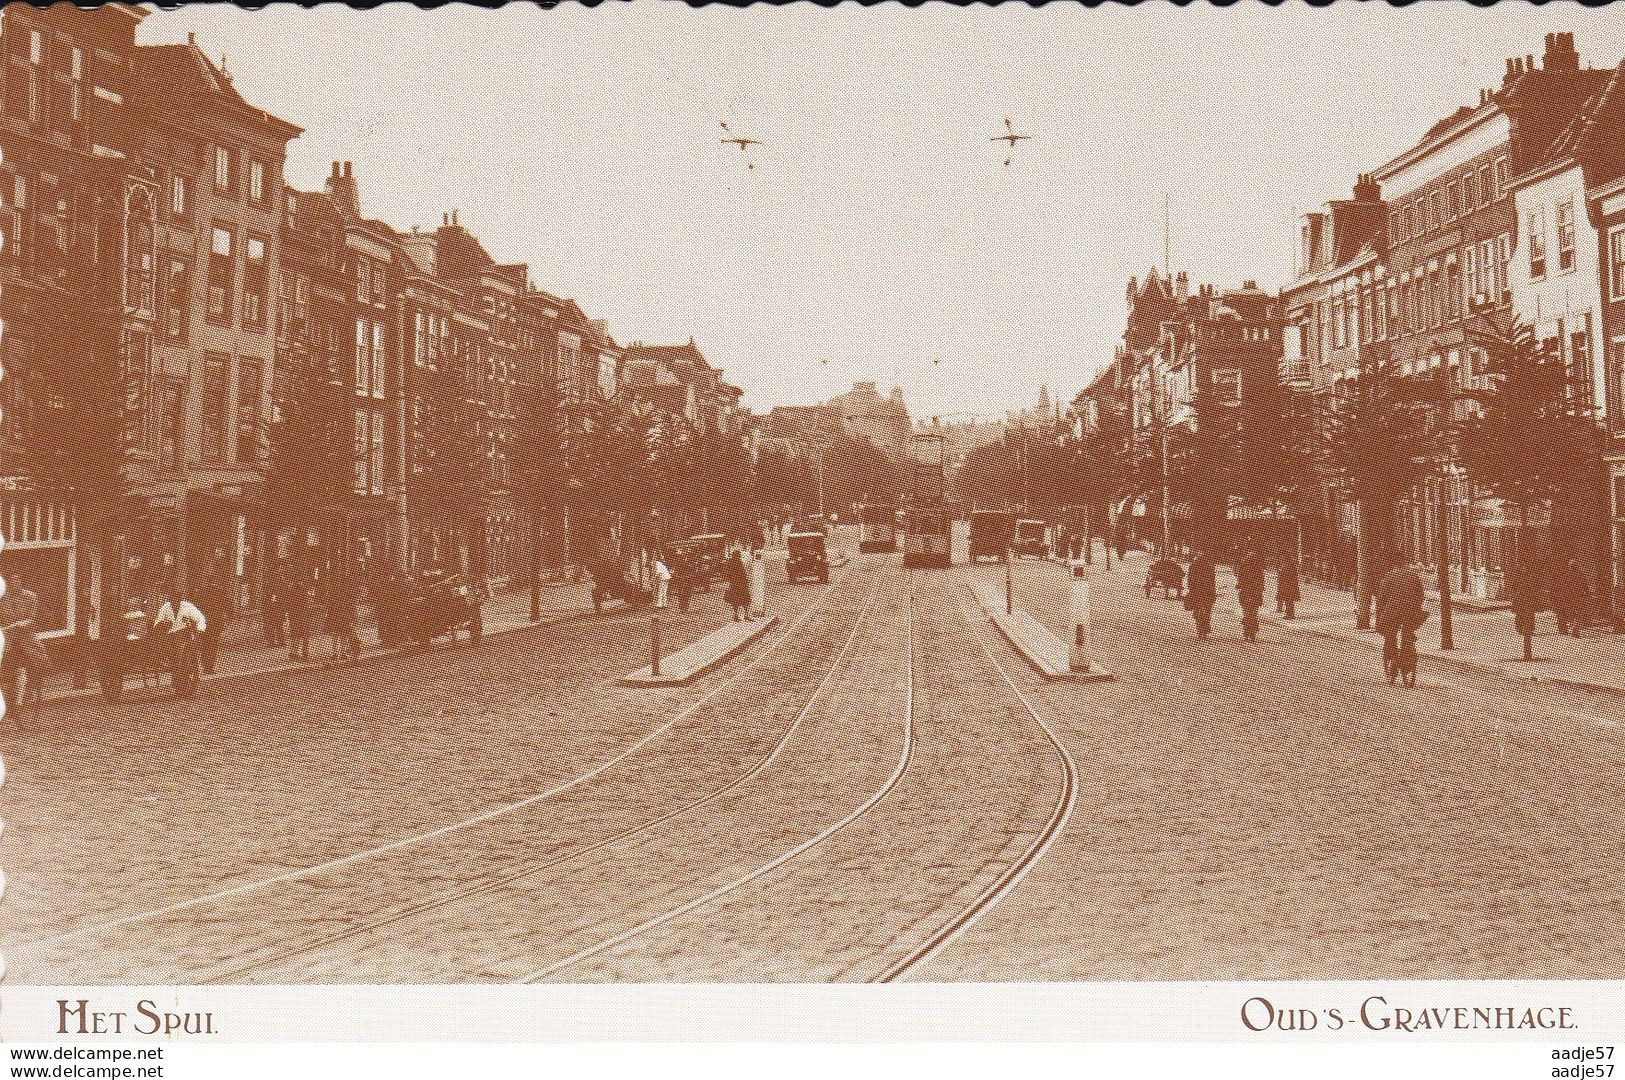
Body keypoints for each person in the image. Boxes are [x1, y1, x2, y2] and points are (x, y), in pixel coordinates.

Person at [0, 572, 45, 717]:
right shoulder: (3, 598)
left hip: (26, 637)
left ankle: (29, 690)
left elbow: (33, 617)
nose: (15, 583)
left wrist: (19, 624)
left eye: (18, 580)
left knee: (36, 660)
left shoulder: (30, 597)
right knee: (5, 668)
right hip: (9, 637)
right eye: (12, 581)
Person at [1374, 555, 1427, 675]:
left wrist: (1379, 617)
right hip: (1411, 612)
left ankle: (1392, 661)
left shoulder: (1388, 577)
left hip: (1393, 613)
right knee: (1407, 633)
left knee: (1390, 635)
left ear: (1394, 565)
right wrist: (1416, 608)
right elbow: (1421, 595)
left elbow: (1381, 599)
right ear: (1405, 564)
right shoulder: (1414, 576)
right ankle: (1407, 658)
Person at [153, 585, 207, 687]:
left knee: (186, 652)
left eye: (177, 599)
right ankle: (177, 674)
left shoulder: (187, 606)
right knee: (171, 654)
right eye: (172, 600)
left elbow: (200, 618)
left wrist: (200, 629)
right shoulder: (165, 607)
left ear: (180, 599)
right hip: (169, 635)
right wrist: (162, 624)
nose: (174, 602)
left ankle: (188, 671)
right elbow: (158, 621)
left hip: (185, 633)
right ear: (170, 600)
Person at [194, 574, 230, 676]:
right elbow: (227, 604)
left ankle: (206, 665)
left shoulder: (201, 592)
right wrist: (229, 615)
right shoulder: (219, 591)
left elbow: (196, 606)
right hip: (215, 621)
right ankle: (209, 666)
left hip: (204, 621)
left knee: (205, 644)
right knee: (212, 644)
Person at [1551, 556, 1588, 637]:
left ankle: (1574, 628)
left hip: (1572, 598)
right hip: (1577, 597)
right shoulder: (1579, 575)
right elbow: (1585, 586)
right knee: (1577, 614)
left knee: (1573, 614)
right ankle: (1575, 628)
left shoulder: (1567, 575)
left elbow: (1584, 585)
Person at [1184, 550, 1217, 641]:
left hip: (1197, 591)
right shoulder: (1209, 566)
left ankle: (1200, 626)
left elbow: (1190, 579)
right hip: (1207, 592)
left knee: (1197, 609)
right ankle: (1205, 625)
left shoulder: (1193, 565)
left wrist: (1191, 588)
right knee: (1207, 610)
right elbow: (1212, 580)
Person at [1236, 549, 1265, 643]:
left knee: (1246, 612)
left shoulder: (1243, 566)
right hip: (1255, 593)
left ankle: (1246, 631)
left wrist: (1239, 585)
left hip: (1246, 593)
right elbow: (1261, 581)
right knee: (1254, 613)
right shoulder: (1258, 568)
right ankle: (1252, 632)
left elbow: (1240, 579)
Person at [723, 548, 751, 622]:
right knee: (745, 600)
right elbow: (743, 574)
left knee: (735, 601)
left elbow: (727, 574)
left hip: (734, 585)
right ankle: (746, 615)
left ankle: (736, 615)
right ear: (738, 556)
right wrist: (746, 582)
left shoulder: (729, 563)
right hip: (741, 585)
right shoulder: (739, 562)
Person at [1275, 552, 1301, 620]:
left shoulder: (1288, 566)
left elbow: (1285, 576)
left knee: (1288, 600)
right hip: (1288, 586)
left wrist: (1280, 572)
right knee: (1288, 600)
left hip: (1288, 586)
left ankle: (1290, 614)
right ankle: (1289, 613)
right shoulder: (1289, 566)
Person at [748, 547, 767, 620]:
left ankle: (759, 610)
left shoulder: (758, 564)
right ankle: (758, 610)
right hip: (757, 581)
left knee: (758, 593)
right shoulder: (756, 564)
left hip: (758, 580)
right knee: (757, 593)